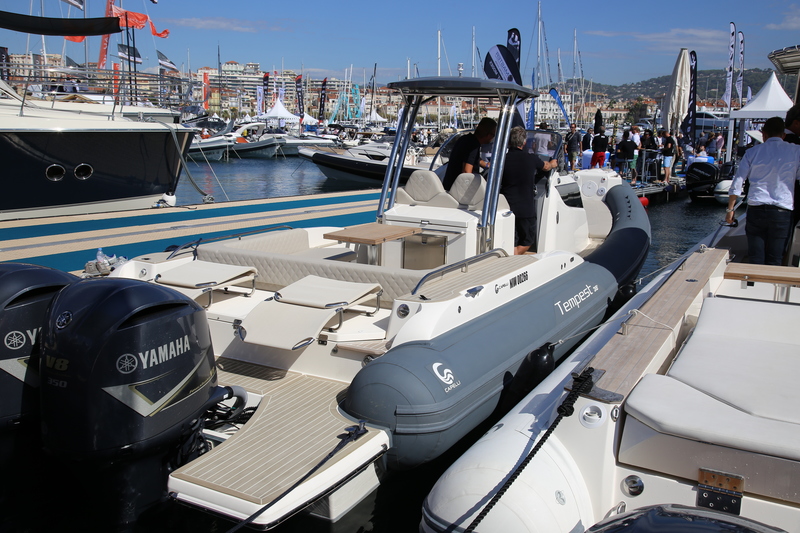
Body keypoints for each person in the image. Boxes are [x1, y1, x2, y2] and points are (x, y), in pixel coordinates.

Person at [726, 117, 800, 265]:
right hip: (782, 210)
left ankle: (754, 284)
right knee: (776, 257)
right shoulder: (796, 151)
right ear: (783, 135)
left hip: (756, 209)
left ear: (764, 134)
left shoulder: (752, 152)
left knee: (756, 256)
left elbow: (738, 181)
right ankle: (770, 286)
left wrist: (730, 209)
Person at [500, 126, 558, 255]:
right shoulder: (531, 158)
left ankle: (509, 255)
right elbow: (546, 166)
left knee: (510, 240)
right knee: (527, 242)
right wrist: (553, 164)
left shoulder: (501, 159)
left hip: (505, 206)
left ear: (509, 142)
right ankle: (512, 256)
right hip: (525, 208)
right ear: (524, 142)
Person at [442, 117, 497, 190]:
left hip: (449, 185)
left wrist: (487, 165)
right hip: (458, 191)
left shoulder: (465, 139)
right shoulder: (473, 145)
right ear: (488, 135)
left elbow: (471, 158)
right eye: (493, 135)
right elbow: (467, 172)